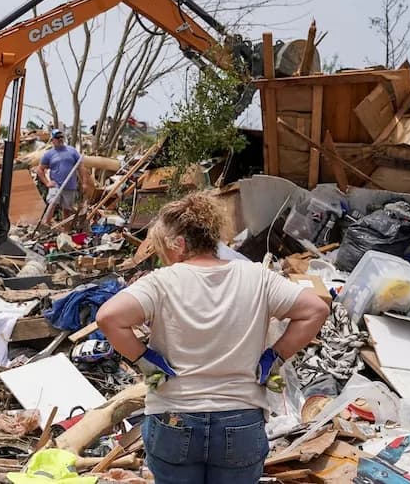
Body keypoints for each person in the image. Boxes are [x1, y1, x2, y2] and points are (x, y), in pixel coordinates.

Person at [96, 190, 329, 483]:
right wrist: (275, 356)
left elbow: (108, 318)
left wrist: (144, 360)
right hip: (240, 419)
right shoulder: (256, 276)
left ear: (178, 244)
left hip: (174, 419)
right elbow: (315, 310)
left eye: (162, 248)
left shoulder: (161, 282)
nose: (163, 257)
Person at [36, 129, 82, 221]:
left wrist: (84, 182)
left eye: (61, 137)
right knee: (52, 204)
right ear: (52, 140)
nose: (60, 139)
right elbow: (40, 169)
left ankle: (66, 231)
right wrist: (47, 183)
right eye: (57, 137)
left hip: (70, 185)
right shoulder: (49, 154)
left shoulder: (72, 151)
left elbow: (81, 167)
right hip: (56, 184)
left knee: (67, 210)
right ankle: (46, 225)